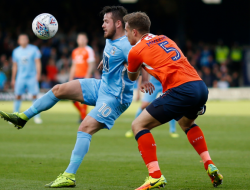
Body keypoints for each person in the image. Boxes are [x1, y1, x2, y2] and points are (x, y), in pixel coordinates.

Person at [0, 6, 134, 188]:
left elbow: (143, 61)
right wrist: (107, 61)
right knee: (58, 89)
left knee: (85, 127)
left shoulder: (128, 45)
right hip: (101, 86)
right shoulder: (112, 39)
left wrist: (143, 77)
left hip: (115, 97)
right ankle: (22, 117)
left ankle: (69, 175)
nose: (102, 25)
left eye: (106, 21)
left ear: (118, 24)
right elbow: (115, 54)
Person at [123, 12, 223, 189]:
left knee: (138, 125)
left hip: (181, 90)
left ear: (135, 32)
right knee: (186, 123)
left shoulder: (135, 50)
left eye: (126, 31)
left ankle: (155, 176)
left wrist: (126, 65)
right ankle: (209, 164)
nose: (125, 34)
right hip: (199, 87)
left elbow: (132, 77)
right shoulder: (165, 39)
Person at [11, 34, 42, 124]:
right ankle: (15, 115)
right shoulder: (16, 51)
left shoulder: (34, 49)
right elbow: (15, 66)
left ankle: (37, 117)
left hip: (32, 77)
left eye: (25, 39)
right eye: (22, 39)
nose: (24, 40)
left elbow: (38, 62)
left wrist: (38, 74)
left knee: (34, 96)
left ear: (28, 40)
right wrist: (13, 78)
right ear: (18, 41)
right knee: (17, 96)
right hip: (20, 77)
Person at [69, 33, 96, 122]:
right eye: (79, 39)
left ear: (86, 40)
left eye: (83, 39)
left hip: (85, 76)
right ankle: (83, 115)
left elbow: (91, 64)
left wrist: (87, 76)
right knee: (72, 98)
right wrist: (70, 78)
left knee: (84, 98)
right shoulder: (75, 51)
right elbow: (73, 66)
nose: (81, 40)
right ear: (77, 40)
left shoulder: (89, 50)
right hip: (76, 76)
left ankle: (83, 117)